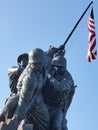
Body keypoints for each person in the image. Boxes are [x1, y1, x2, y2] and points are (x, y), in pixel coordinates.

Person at [0, 48, 50, 130]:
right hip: (20, 95)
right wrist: (16, 119)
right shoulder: (28, 76)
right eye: (22, 59)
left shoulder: (43, 64)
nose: (25, 60)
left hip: (36, 98)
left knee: (46, 120)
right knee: (8, 108)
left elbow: (47, 56)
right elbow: (24, 100)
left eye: (26, 58)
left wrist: (54, 51)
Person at [42, 56, 75, 130]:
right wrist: (58, 51)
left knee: (57, 126)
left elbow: (60, 87)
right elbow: (45, 58)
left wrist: (49, 76)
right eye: (54, 67)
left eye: (58, 67)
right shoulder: (52, 70)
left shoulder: (68, 78)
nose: (55, 69)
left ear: (62, 68)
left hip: (57, 108)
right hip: (44, 103)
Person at [0, 53, 28, 121]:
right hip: (16, 95)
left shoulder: (33, 72)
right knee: (9, 106)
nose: (25, 60)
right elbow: (18, 71)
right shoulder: (12, 69)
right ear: (19, 62)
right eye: (23, 59)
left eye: (27, 59)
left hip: (28, 96)